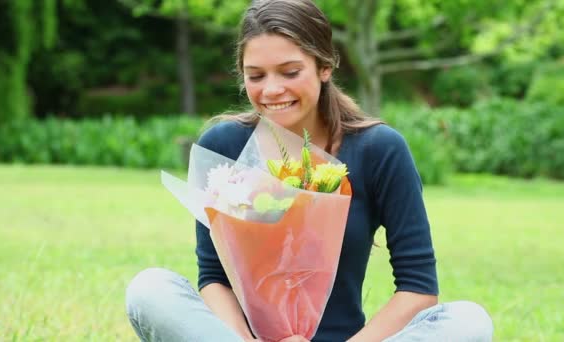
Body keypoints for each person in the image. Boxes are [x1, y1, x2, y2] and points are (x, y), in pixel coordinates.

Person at [125, 0, 494, 341]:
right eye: (256, 76)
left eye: (289, 72)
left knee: (469, 321)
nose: (272, 89)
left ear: (324, 67)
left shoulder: (379, 149)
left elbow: (417, 287)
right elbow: (214, 278)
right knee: (150, 289)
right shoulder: (222, 146)